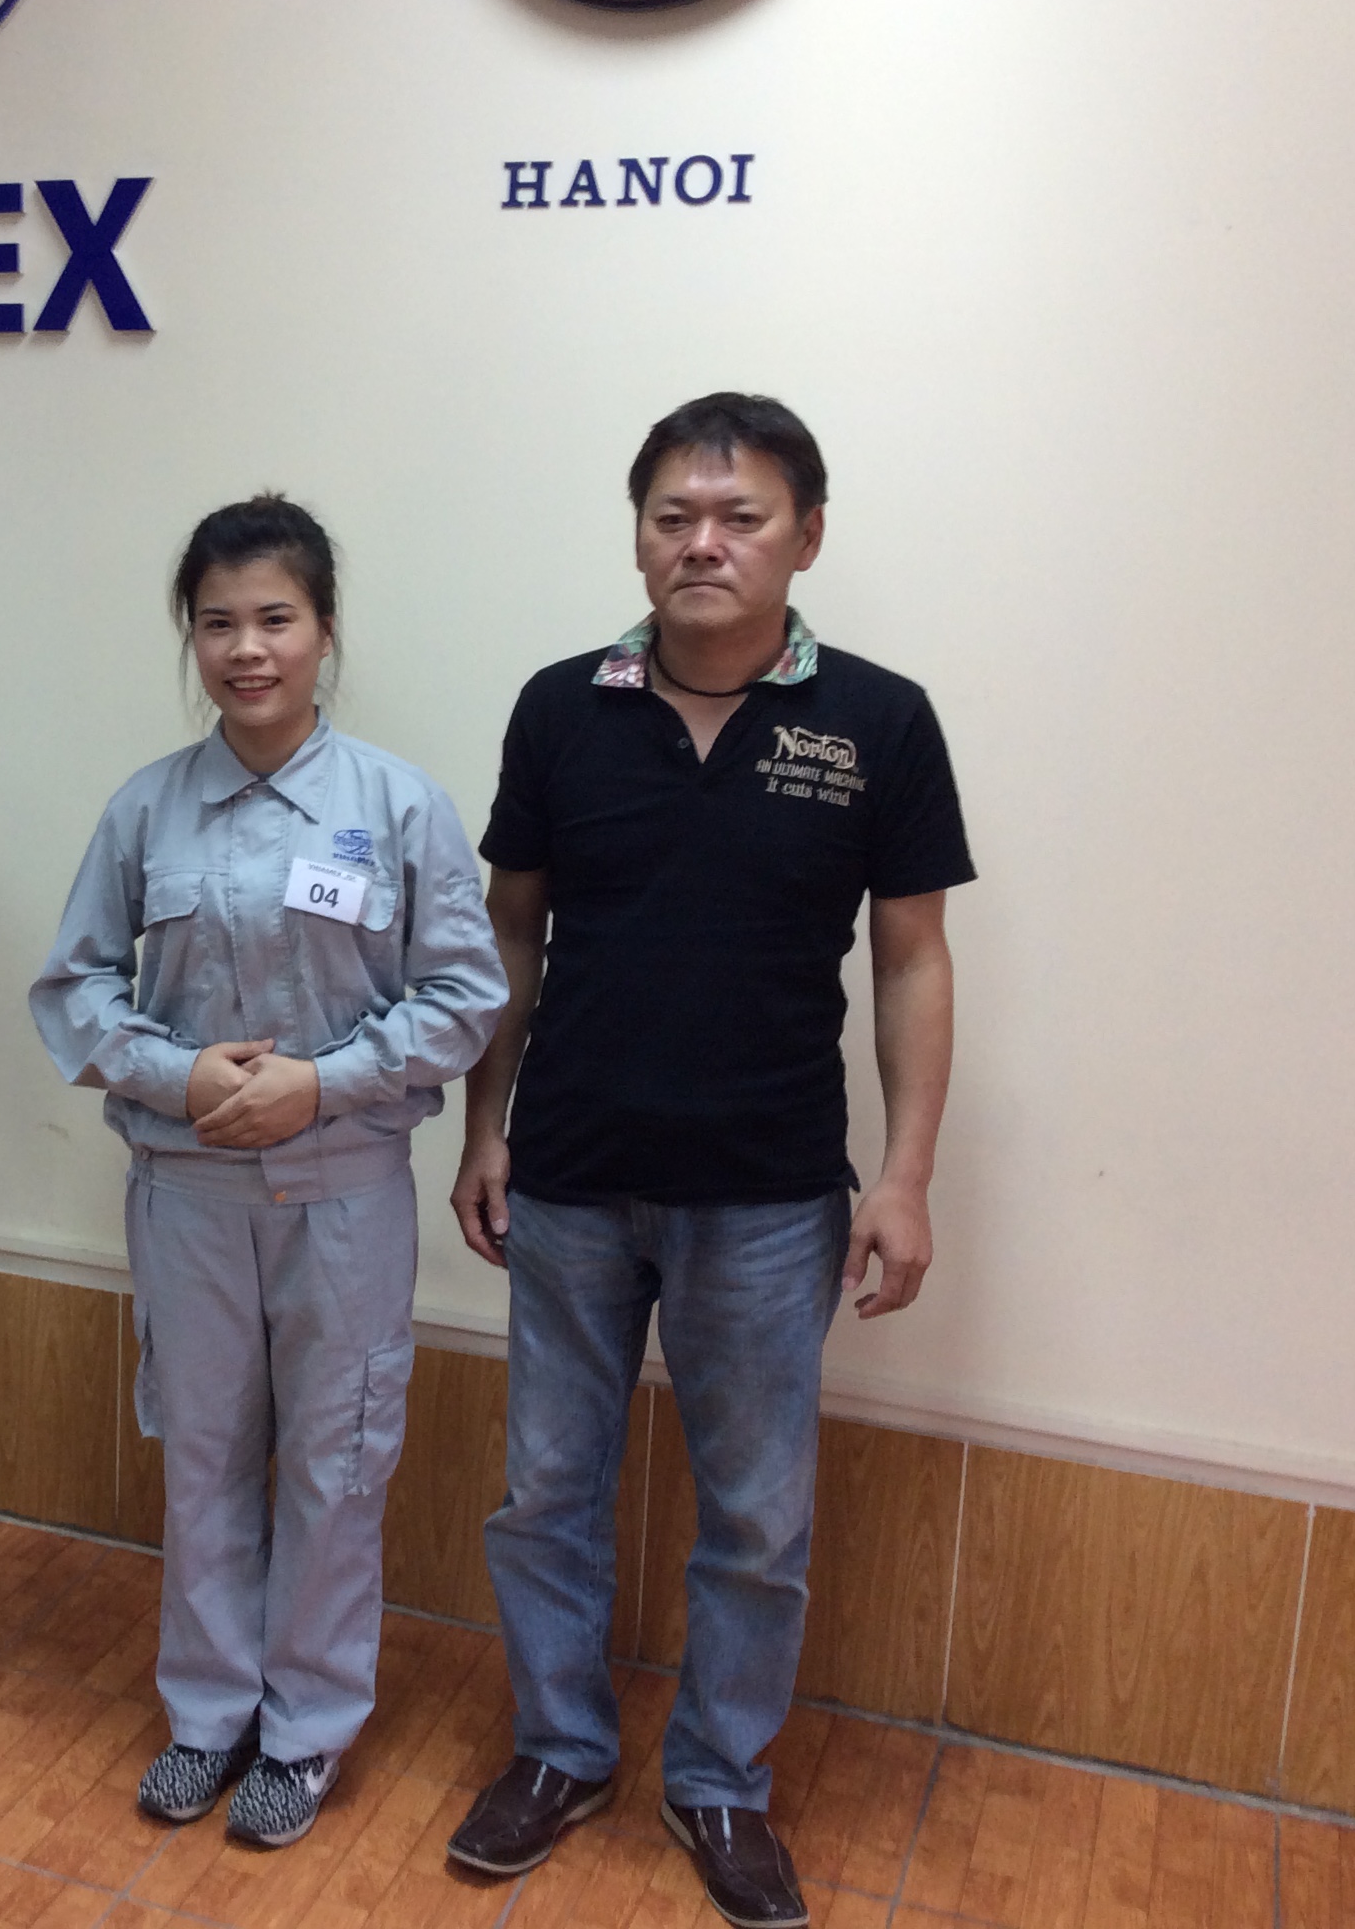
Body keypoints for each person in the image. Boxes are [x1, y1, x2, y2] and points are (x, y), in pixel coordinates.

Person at [443, 394, 974, 1927]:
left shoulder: (878, 721)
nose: (703, 542)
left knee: (756, 1514)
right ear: (638, 538)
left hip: (770, 1192)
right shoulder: (563, 707)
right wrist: (484, 1127)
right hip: (569, 1179)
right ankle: (559, 1751)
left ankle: (720, 1780)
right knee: (546, 1491)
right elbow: (511, 934)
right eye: (674, 515)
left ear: (807, 538)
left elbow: (913, 959)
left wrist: (906, 1176)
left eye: (742, 517)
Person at [30, 496, 508, 1849]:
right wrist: (179, 1073)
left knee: (336, 1466)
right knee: (203, 1459)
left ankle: (304, 1731)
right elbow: (71, 992)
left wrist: (324, 1081)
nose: (248, 649)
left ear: (325, 632)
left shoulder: (396, 806)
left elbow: (466, 998)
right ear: (192, 638)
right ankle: (207, 1715)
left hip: (344, 1193)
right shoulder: (147, 809)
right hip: (187, 1196)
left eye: (276, 619)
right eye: (219, 623)